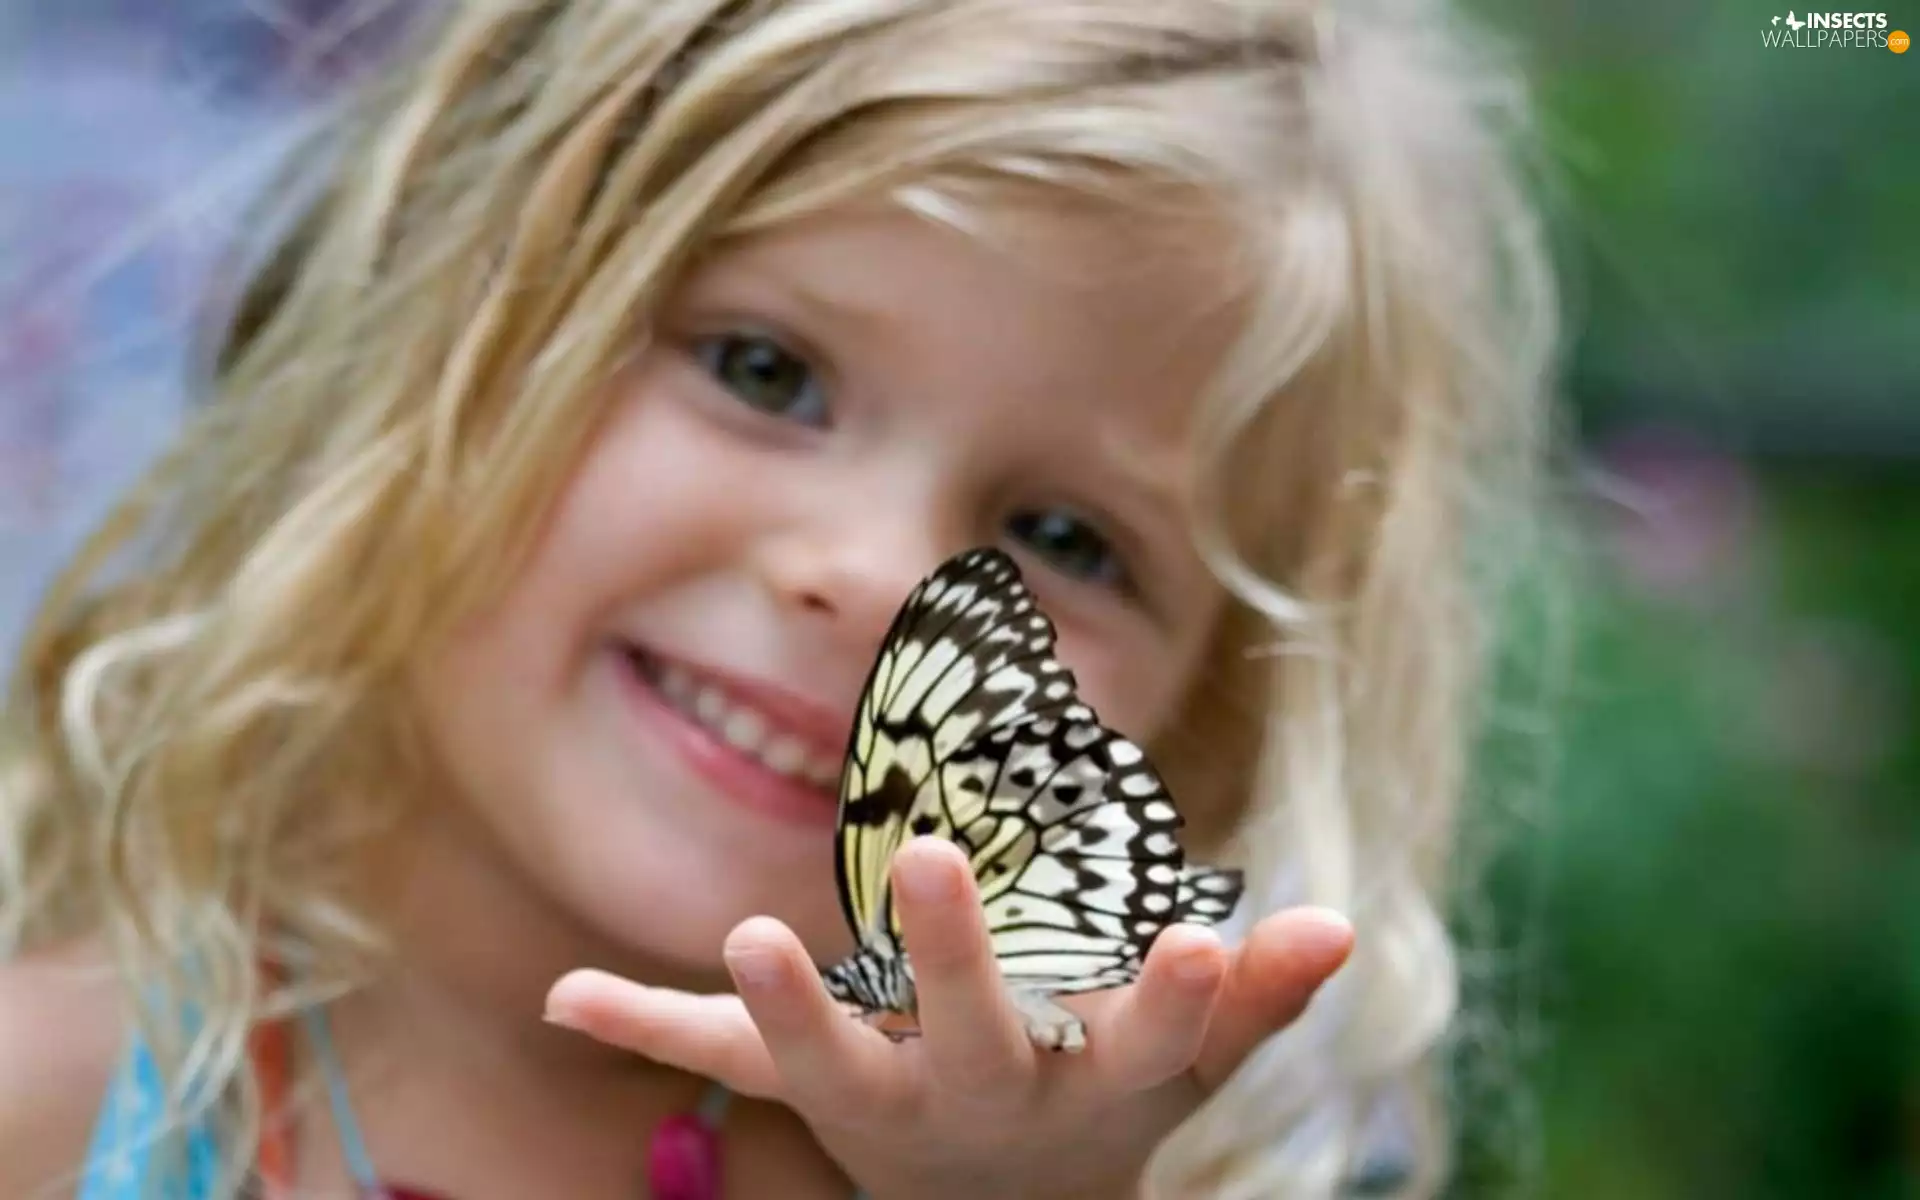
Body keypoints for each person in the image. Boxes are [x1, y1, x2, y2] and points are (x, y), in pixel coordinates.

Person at [0, 0, 1558, 1195]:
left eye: (1066, 537)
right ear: (453, 324)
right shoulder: (65, 1101)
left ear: (1205, 725)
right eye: (767, 371)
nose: (880, 575)